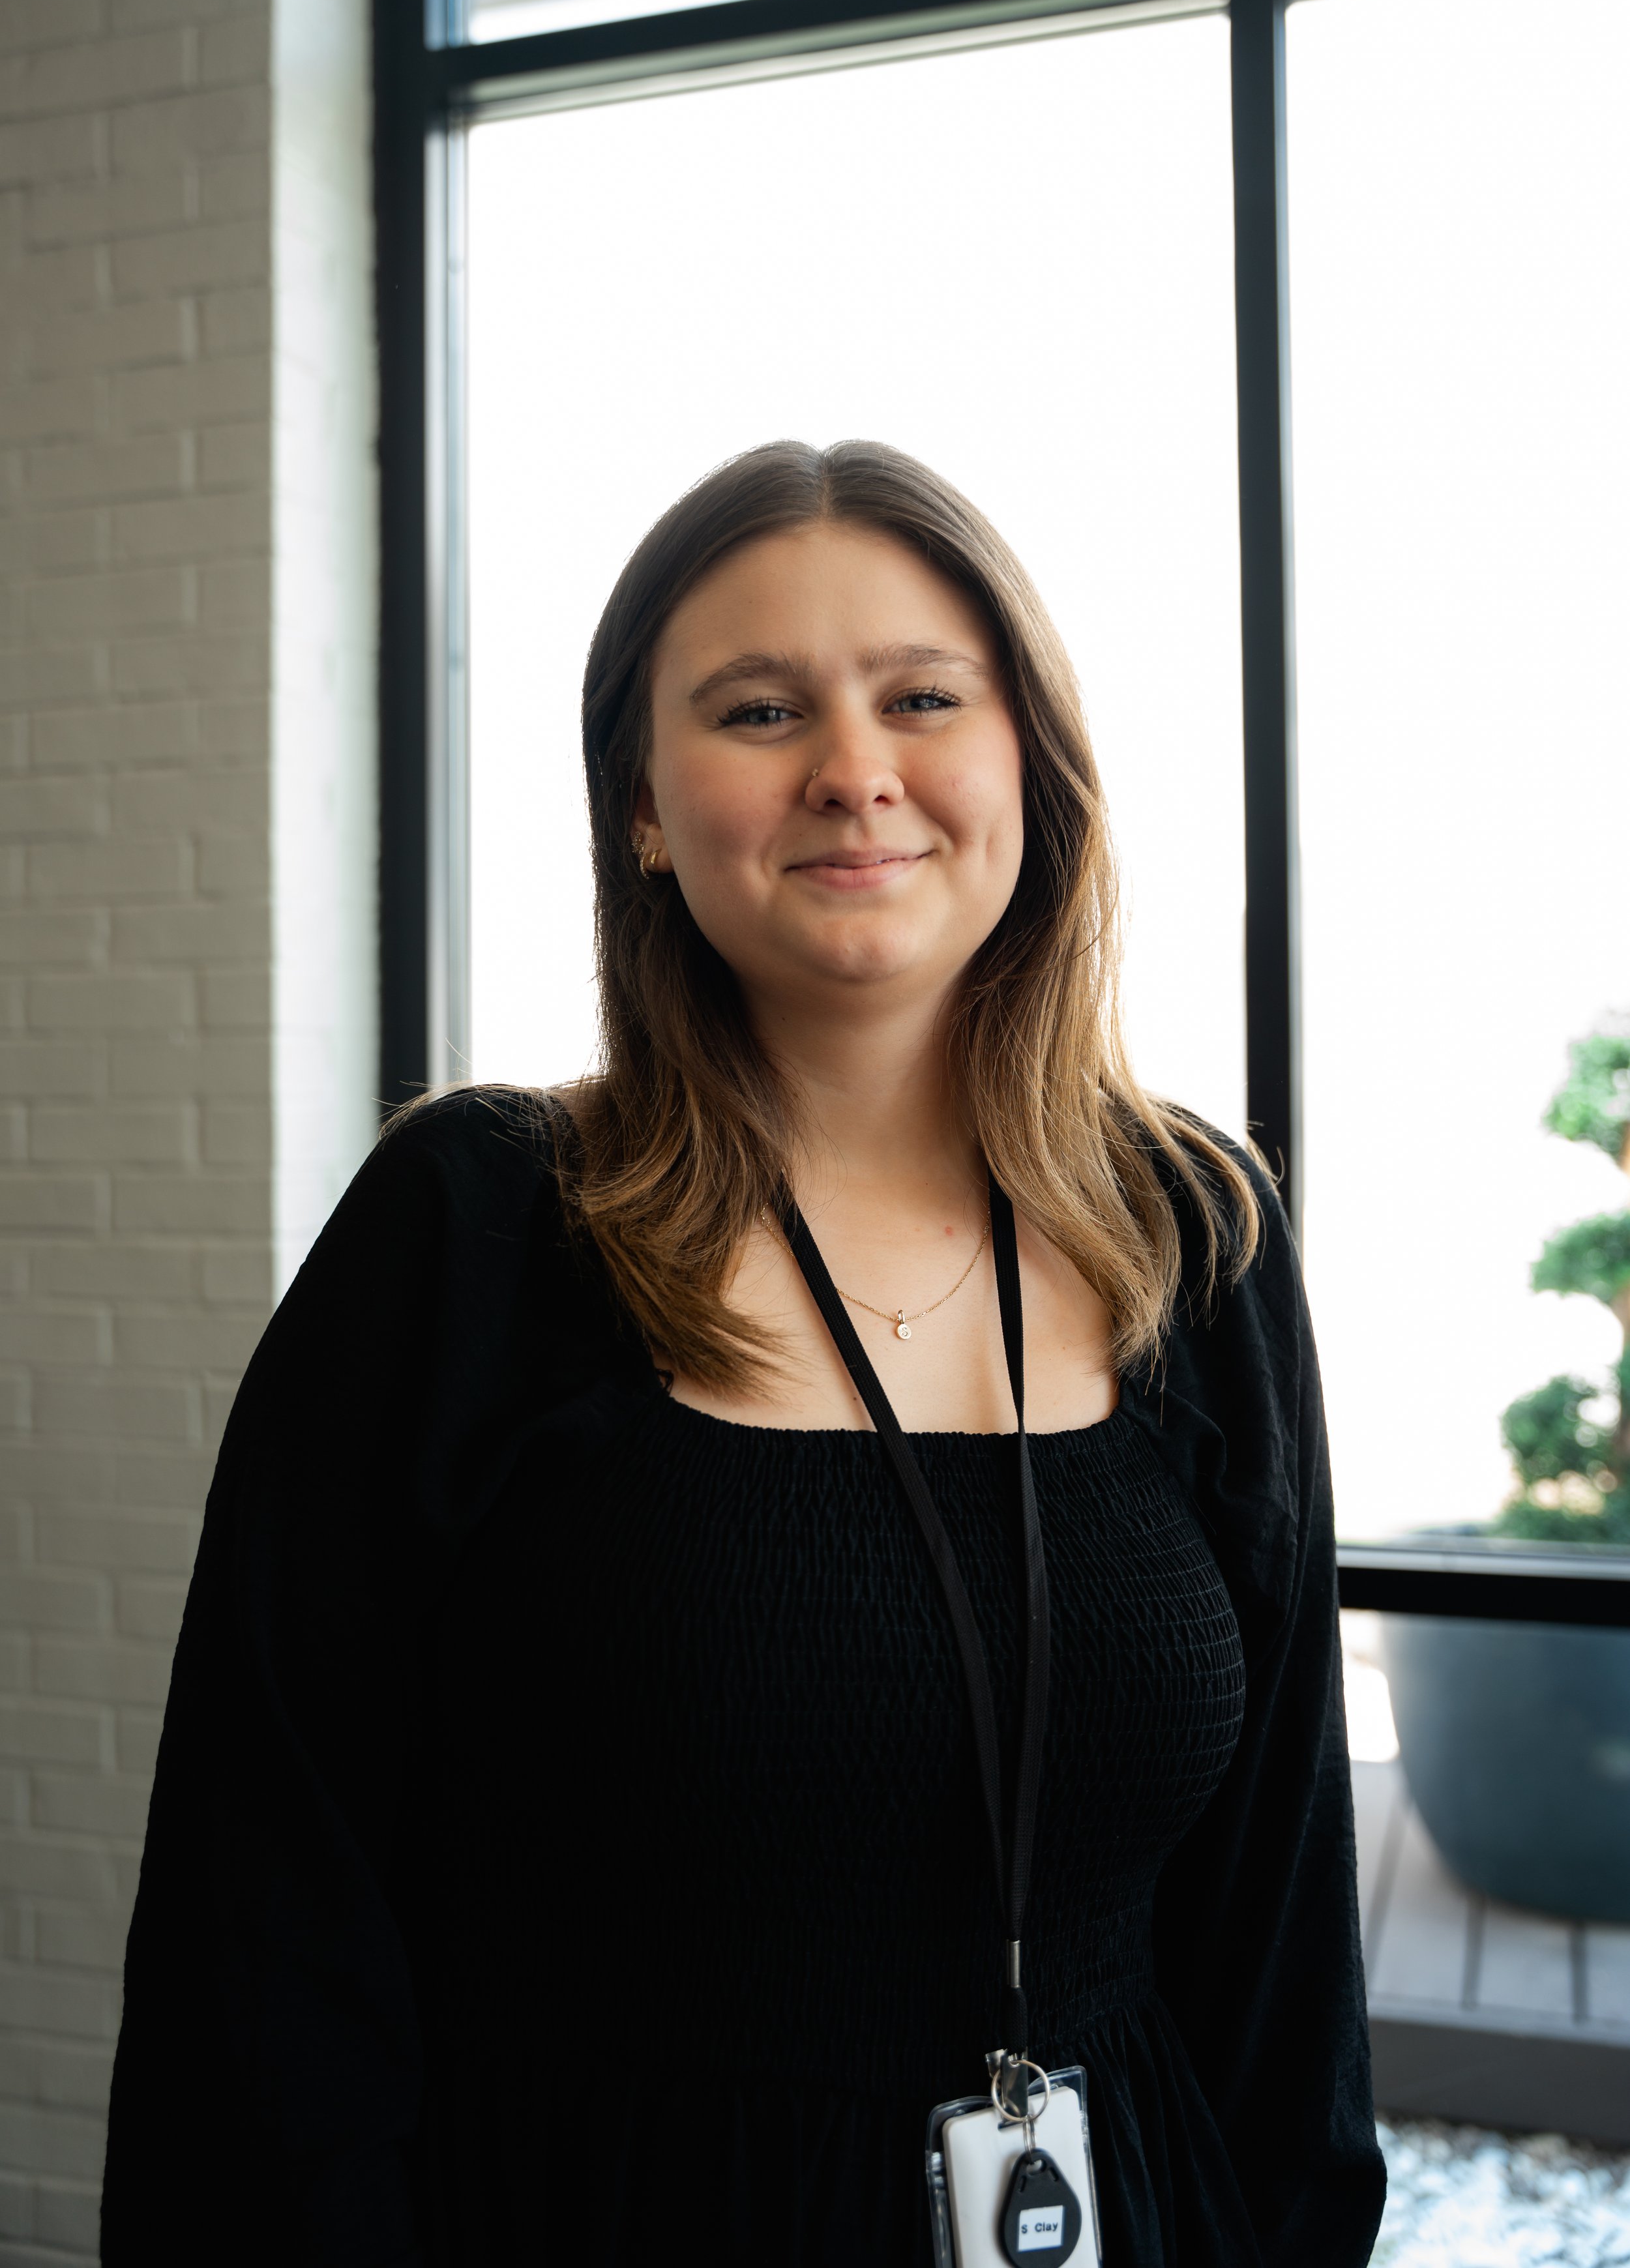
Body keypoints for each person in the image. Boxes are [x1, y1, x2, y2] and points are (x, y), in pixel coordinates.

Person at [101, 439, 1384, 2267]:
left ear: (1030, 758)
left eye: (924, 697)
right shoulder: (474, 1232)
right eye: (759, 709)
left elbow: (1279, 1928)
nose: (853, 771)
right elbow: (267, 1932)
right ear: (641, 799)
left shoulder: (1193, 1232)